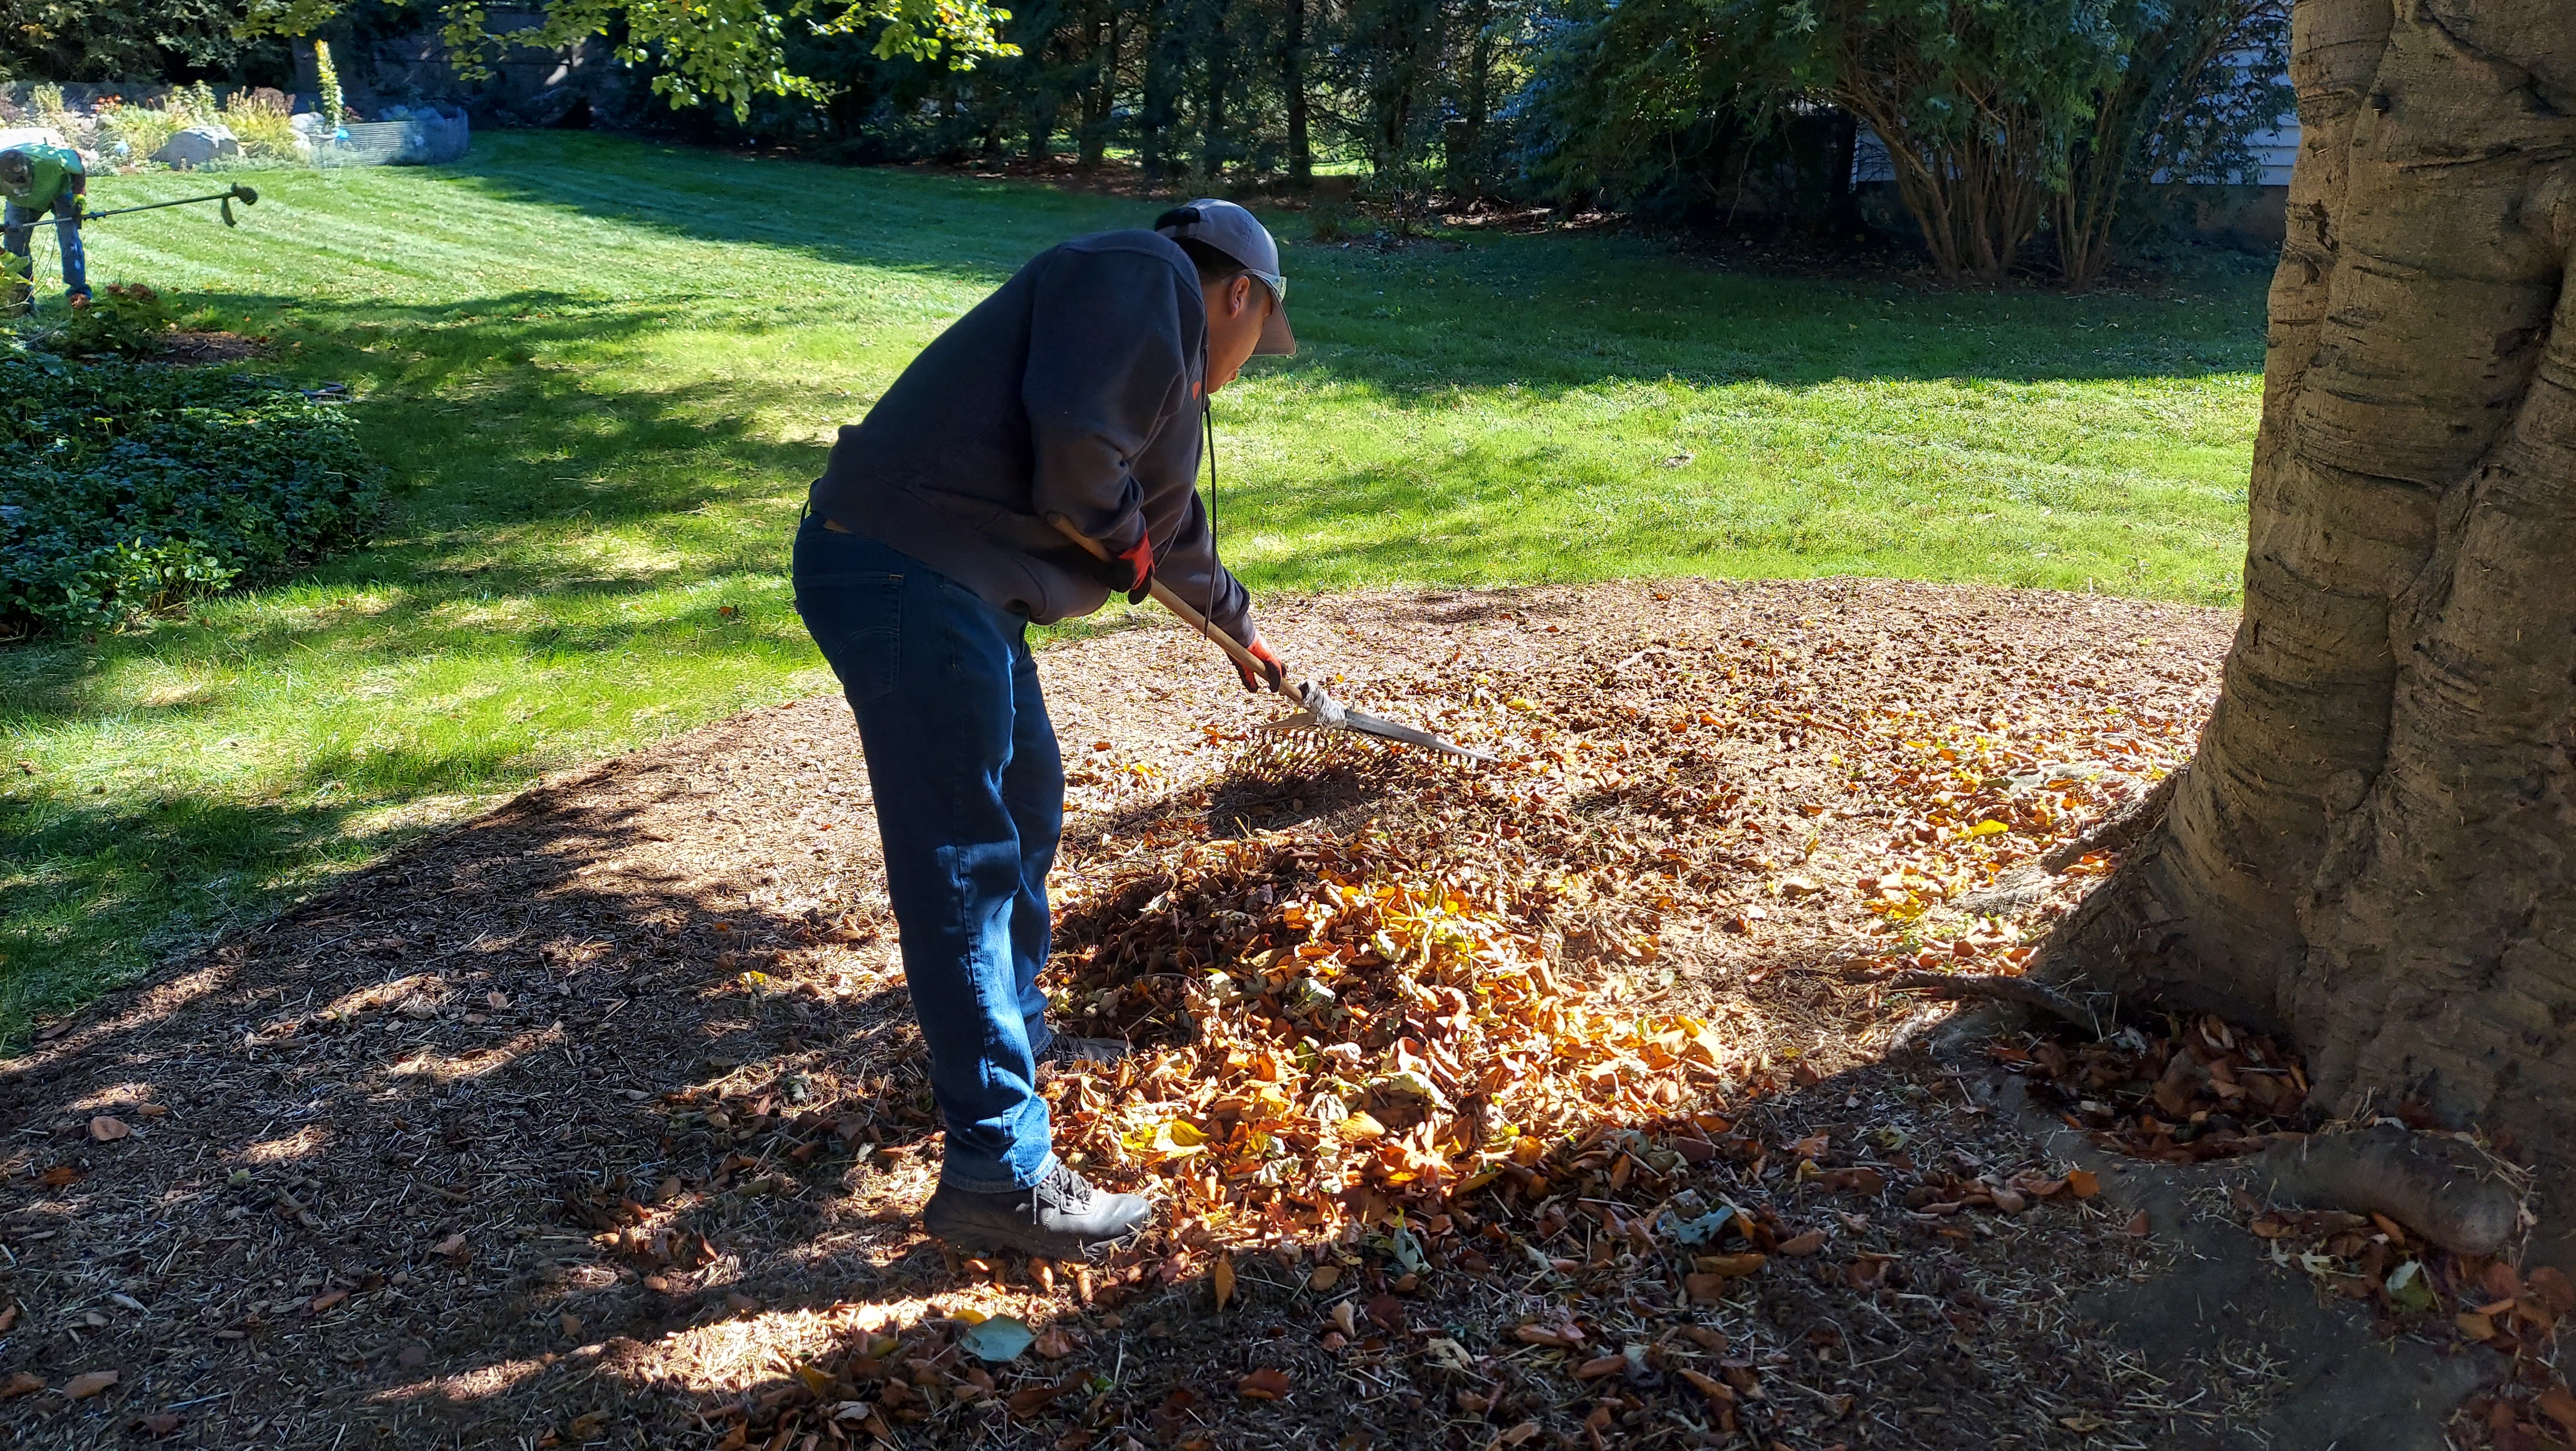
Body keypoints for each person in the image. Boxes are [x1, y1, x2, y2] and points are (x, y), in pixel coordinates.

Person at [792, 199, 1295, 1258]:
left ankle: (1015, 1041)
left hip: (954, 584)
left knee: (1023, 808)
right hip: (909, 568)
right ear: (1239, 293)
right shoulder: (1145, 274)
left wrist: (1241, 636)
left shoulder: (1152, 363)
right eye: (1260, 337)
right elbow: (1080, 459)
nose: (1250, 361)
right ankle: (998, 1169)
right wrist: (1125, 546)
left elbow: (1166, 532)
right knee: (963, 862)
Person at [0, 143, 89, 313]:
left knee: (69, 236)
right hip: (20, 205)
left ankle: (79, 294)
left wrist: (79, 196)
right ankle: (22, 300)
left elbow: (77, 164)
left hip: (59, 192)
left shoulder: (51, 160)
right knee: (15, 244)